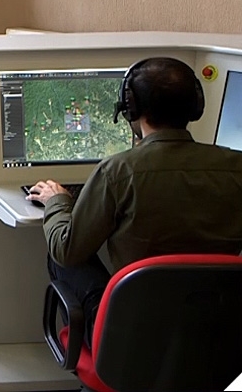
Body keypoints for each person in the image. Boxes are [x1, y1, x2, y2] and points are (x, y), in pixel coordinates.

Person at [28, 57, 242, 344]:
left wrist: (57, 202)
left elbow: (67, 250)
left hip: (131, 338)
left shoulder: (117, 172)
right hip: (217, 334)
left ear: (131, 109)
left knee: (65, 254)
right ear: (195, 107)